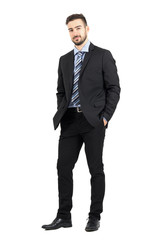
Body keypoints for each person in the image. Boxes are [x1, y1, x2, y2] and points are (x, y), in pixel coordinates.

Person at [42, 13, 120, 232]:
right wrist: (62, 108)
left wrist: (104, 117)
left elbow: (114, 88)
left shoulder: (103, 55)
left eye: (78, 28)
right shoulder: (64, 59)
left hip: (93, 121)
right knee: (63, 167)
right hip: (69, 121)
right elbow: (60, 91)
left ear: (87, 28)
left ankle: (94, 216)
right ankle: (63, 216)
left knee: (95, 168)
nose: (75, 33)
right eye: (70, 30)